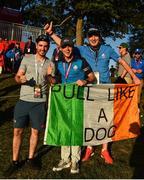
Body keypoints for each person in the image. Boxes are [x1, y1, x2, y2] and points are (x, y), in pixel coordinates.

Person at [44, 22, 140, 165]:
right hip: (89, 90)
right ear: (88, 38)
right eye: (90, 36)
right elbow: (65, 46)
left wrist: (134, 76)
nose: (93, 38)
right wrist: (51, 34)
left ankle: (104, 149)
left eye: (95, 35)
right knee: (89, 118)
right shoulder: (82, 49)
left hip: (105, 89)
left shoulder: (107, 49)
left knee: (106, 118)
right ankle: (89, 146)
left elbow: (122, 62)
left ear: (99, 37)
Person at [5, 34, 54, 176]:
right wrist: (20, 79)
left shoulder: (50, 64)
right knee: (17, 131)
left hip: (39, 103)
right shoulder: (26, 58)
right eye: (40, 45)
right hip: (24, 101)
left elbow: (53, 83)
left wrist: (50, 76)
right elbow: (17, 77)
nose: (43, 48)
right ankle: (15, 161)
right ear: (36, 46)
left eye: (45, 46)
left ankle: (31, 158)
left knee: (35, 132)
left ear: (48, 47)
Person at [47, 37, 96, 174]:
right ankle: (64, 159)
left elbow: (92, 77)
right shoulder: (58, 62)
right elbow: (56, 78)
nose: (67, 49)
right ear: (61, 48)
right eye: (64, 47)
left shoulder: (81, 61)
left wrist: (85, 81)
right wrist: (50, 79)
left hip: (78, 100)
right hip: (63, 100)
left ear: (72, 47)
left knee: (75, 127)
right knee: (63, 126)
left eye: (69, 46)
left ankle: (75, 160)